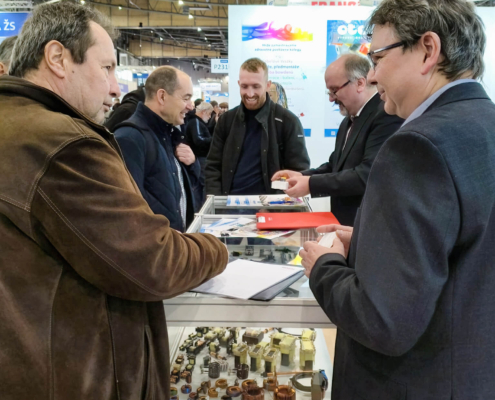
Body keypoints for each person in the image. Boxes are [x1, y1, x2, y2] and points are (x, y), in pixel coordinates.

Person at [0, 3, 227, 399]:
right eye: (106, 68)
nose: (115, 88)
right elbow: (153, 262)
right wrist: (218, 248)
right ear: (57, 58)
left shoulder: (13, 125)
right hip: (76, 375)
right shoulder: (64, 143)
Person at [300, 0, 495, 398]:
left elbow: (383, 321)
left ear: (428, 50)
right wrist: (369, 244)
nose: (372, 75)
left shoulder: (417, 145)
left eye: (378, 58)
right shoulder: (483, 124)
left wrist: (324, 266)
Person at [272, 54, 403, 226]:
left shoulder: (385, 115)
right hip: (344, 224)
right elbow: (334, 166)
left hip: (366, 225)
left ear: (360, 83)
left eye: (335, 90)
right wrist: (302, 176)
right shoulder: (347, 121)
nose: (331, 98)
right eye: (329, 91)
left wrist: (311, 184)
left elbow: (367, 175)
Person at [114, 66, 202, 232]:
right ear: (162, 96)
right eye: (186, 98)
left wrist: (192, 164)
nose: (190, 106)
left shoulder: (168, 134)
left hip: (175, 242)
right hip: (156, 246)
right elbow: (129, 213)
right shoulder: (130, 138)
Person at [206, 57, 310, 195]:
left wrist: (277, 203)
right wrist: (216, 201)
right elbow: (213, 166)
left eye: (256, 86)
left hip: (272, 204)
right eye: (244, 86)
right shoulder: (226, 120)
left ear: (267, 85)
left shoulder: (288, 121)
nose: (250, 93)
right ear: (238, 84)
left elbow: (298, 171)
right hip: (230, 203)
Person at [185, 101, 213, 201]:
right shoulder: (195, 122)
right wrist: (213, 140)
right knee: (201, 185)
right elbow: (198, 139)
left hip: (199, 158)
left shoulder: (196, 122)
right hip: (199, 158)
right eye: (209, 114)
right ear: (204, 112)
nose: (210, 117)